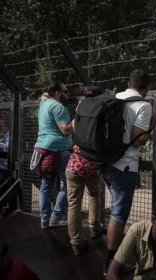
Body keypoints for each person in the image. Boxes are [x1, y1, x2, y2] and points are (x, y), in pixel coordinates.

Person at [102, 69, 156, 274]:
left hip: (106, 163)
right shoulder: (143, 105)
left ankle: (116, 251)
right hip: (125, 166)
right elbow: (138, 138)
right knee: (119, 214)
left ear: (128, 82)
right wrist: (151, 127)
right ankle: (112, 262)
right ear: (146, 89)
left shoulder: (113, 98)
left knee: (115, 208)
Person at [66, 85, 104, 256]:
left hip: (75, 163)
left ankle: (76, 243)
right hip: (92, 164)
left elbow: (69, 129)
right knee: (94, 194)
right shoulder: (101, 114)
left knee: (73, 204)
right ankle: (95, 228)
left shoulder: (78, 113)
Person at [33, 81, 73, 229]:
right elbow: (65, 130)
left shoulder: (43, 103)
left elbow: (44, 95)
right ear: (57, 93)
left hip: (44, 148)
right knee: (69, 183)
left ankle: (44, 219)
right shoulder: (58, 107)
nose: (68, 94)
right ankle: (56, 217)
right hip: (60, 150)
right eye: (66, 91)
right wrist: (76, 120)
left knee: (46, 185)